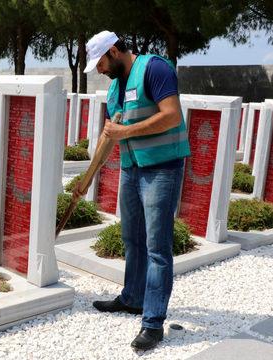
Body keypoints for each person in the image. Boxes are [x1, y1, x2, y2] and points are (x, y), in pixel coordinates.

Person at [72, 30, 191, 351]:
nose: (99, 70)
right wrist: (87, 178)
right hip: (132, 169)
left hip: (162, 168)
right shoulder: (114, 88)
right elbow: (109, 135)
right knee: (132, 238)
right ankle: (133, 298)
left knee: (157, 247)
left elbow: (171, 116)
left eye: (100, 63)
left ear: (113, 51)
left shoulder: (156, 69)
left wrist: (126, 130)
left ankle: (153, 322)